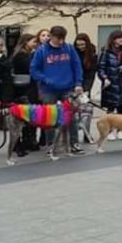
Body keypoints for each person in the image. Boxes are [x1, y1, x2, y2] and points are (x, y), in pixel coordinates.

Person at [29, 25, 84, 156]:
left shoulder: (69, 48)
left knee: (71, 117)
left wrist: (78, 83)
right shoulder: (41, 51)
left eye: (63, 38)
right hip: (49, 90)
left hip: (68, 87)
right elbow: (34, 70)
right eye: (58, 38)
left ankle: (74, 143)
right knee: (50, 118)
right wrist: (45, 79)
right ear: (52, 36)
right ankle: (51, 145)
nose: (61, 41)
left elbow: (77, 66)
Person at [98, 30, 122, 138]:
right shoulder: (106, 51)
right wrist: (104, 78)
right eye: (119, 38)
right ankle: (109, 131)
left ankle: (121, 130)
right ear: (113, 40)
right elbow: (101, 68)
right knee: (110, 109)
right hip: (111, 85)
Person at [10, 34, 39, 155]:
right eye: (33, 42)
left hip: (27, 89)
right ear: (26, 42)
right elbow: (31, 69)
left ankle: (28, 141)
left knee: (28, 117)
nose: (35, 44)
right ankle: (18, 144)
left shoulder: (26, 54)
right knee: (23, 117)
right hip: (23, 90)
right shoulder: (21, 56)